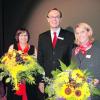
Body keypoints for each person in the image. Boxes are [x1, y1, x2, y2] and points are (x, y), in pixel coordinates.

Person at [37, 8, 75, 99]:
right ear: (48, 19)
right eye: (52, 17)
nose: (54, 19)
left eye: (57, 17)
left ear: (60, 19)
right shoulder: (42, 37)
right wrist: (41, 81)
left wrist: (71, 79)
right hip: (47, 80)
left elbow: (73, 59)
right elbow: (40, 60)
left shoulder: (69, 36)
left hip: (64, 80)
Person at [6, 28, 37, 100]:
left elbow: (36, 65)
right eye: (21, 35)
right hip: (16, 80)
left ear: (28, 37)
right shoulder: (12, 47)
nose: (23, 37)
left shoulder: (33, 48)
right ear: (17, 37)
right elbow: (8, 64)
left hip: (29, 80)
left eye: (25, 35)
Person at [72, 22, 100, 100]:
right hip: (77, 93)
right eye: (77, 33)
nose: (80, 35)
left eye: (82, 32)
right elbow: (72, 70)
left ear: (88, 32)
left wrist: (98, 79)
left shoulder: (97, 49)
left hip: (94, 92)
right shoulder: (74, 51)